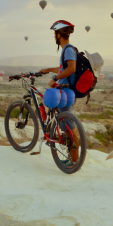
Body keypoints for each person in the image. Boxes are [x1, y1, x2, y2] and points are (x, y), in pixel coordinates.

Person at [39, 20, 81, 165]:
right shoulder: (67, 50)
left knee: (70, 128)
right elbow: (64, 68)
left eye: (54, 34)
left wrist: (54, 78)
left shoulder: (68, 49)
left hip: (65, 92)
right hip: (65, 92)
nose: (54, 37)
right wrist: (49, 69)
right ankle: (74, 158)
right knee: (68, 127)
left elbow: (71, 68)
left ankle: (75, 161)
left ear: (58, 35)